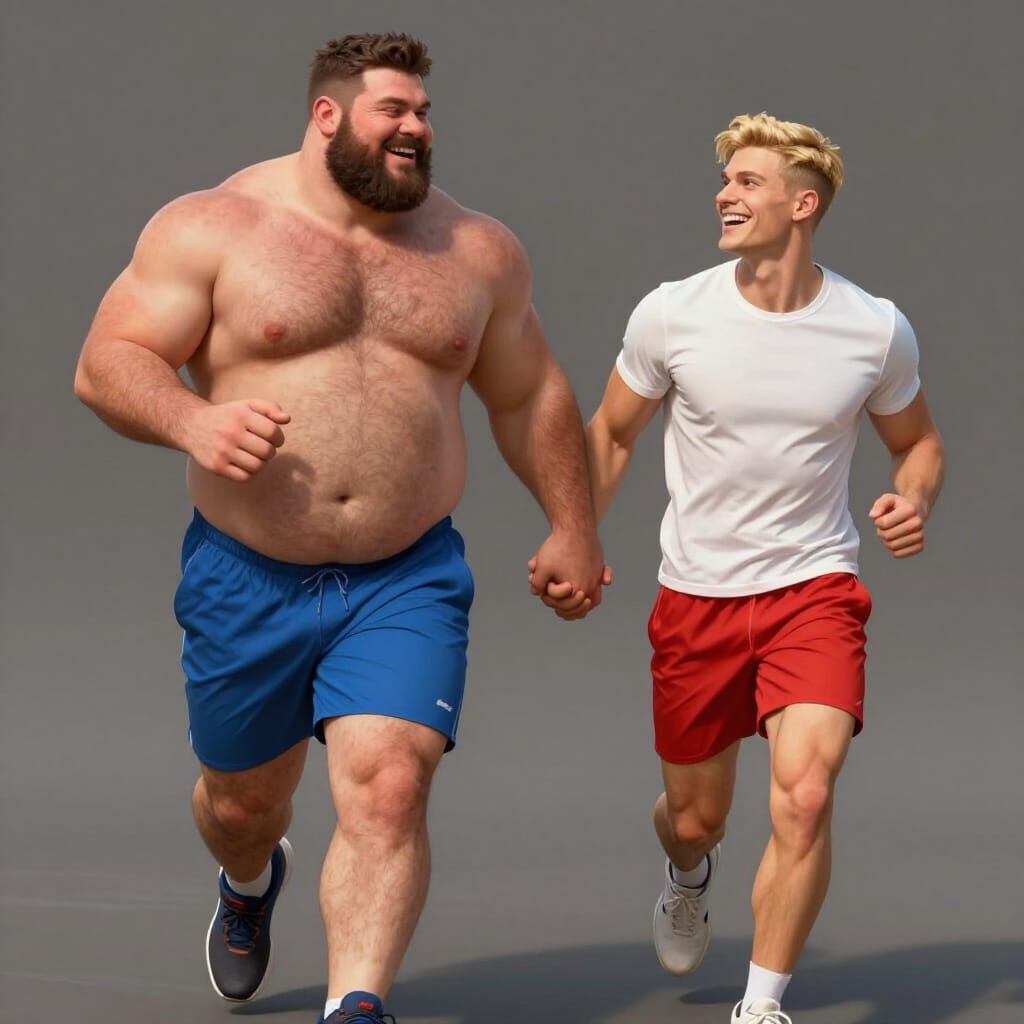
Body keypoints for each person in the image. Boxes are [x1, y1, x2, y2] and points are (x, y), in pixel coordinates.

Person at [74, 33, 606, 1024]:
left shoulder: (475, 249)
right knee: (242, 805)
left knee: (392, 783)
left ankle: (355, 1006)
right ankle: (248, 879)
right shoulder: (214, 226)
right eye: (393, 111)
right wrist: (192, 419)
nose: (417, 129)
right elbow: (108, 360)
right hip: (248, 575)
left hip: (406, 575)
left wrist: (573, 525)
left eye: (424, 113)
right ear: (327, 116)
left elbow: (528, 392)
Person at [578, 113, 945, 1022]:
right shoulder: (673, 312)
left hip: (814, 593)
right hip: (696, 599)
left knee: (806, 795)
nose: (725, 195)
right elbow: (613, 434)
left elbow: (919, 441)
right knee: (695, 817)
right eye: (725, 181)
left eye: (747, 182)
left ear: (802, 204)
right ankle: (687, 871)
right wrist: (574, 535)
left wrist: (914, 497)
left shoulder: (874, 328)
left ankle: (761, 1004)